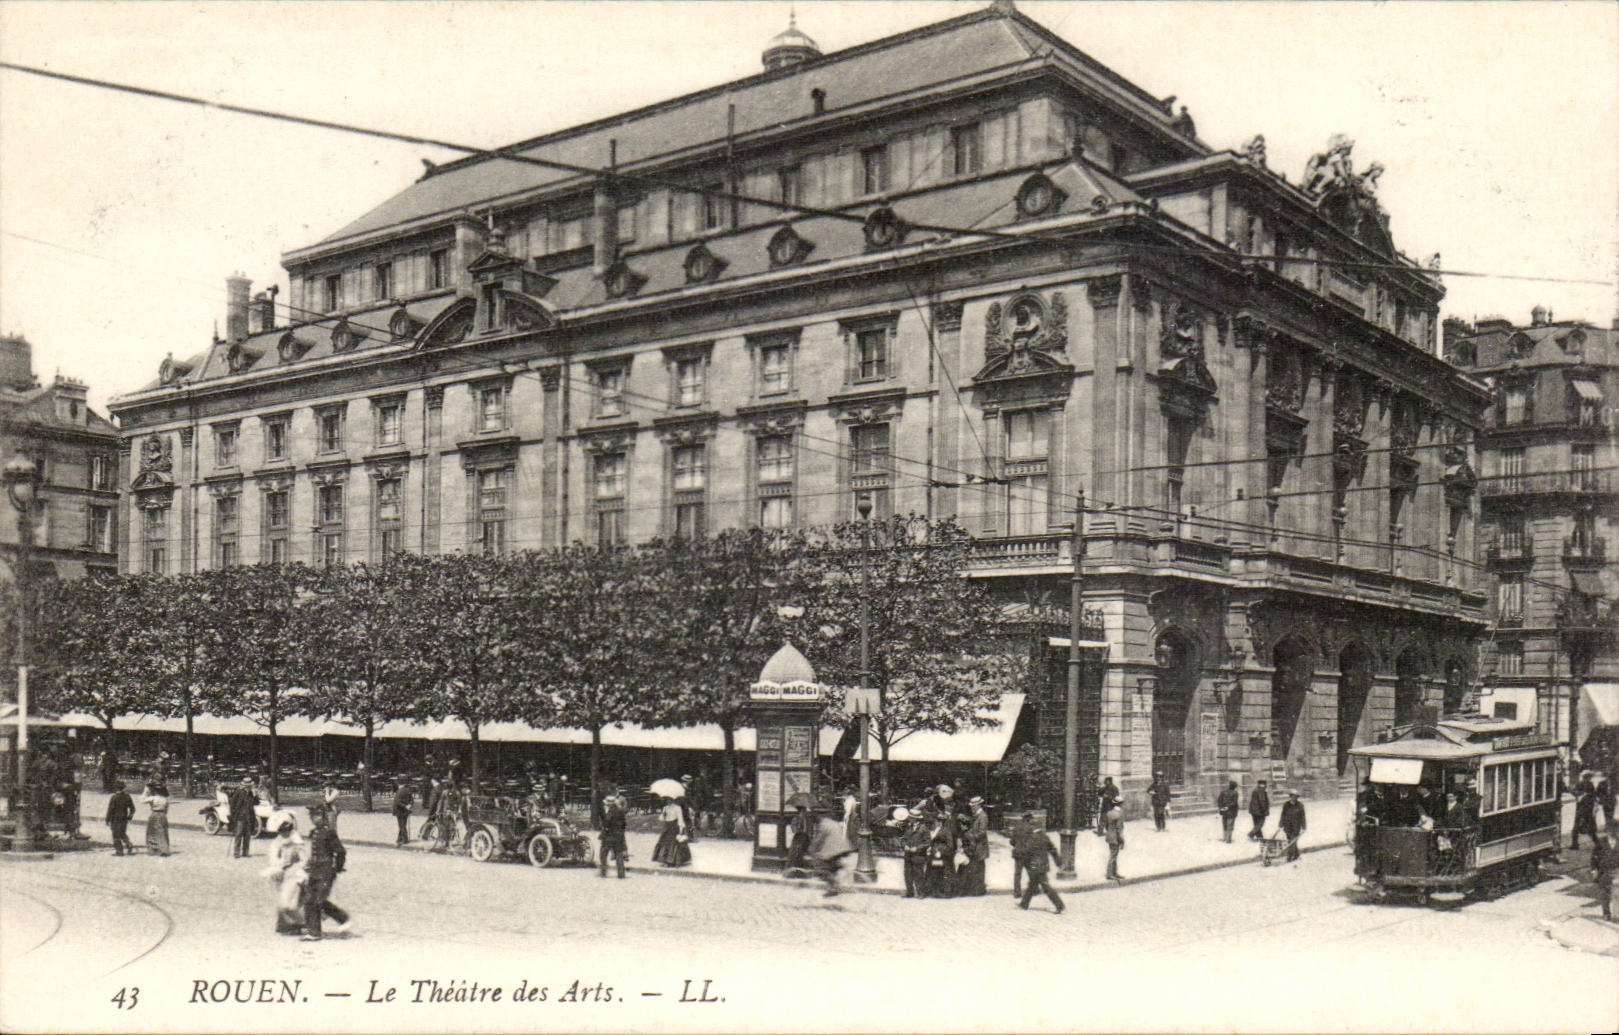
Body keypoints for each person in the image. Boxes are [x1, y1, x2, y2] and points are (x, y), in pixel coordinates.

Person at [300, 806, 350, 942]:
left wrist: (337, 868)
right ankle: (313, 931)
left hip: (326, 870)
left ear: (323, 817)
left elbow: (340, 852)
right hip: (314, 870)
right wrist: (308, 866)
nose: (314, 819)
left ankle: (342, 918)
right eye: (312, 817)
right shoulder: (314, 832)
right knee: (309, 899)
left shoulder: (329, 833)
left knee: (319, 900)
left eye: (317, 816)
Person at [260, 819, 307, 935]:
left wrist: (294, 868)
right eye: (282, 832)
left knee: (289, 902)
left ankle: (298, 924)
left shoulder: (296, 844)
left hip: (294, 875)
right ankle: (283, 925)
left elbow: (304, 860)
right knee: (280, 900)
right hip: (280, 874)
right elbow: (273, 857)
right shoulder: (277, 842)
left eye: (286, 832)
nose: (283, 834)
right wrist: (278, 866)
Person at [1013, 812, 1064, 913]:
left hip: (1035, 866)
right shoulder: (1044, 837)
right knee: (1032, 885)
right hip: (1043, 865)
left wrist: (1019, 855)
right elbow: (1053, 850)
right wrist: (1058, 862)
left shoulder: (1033, 839)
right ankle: (1024, 904)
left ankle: (1059, 905)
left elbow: (1027, 851)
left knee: (1045, 886)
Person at [810, 805, 855, 897]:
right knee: (832, 866)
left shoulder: (823, 825)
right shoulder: (833, 822)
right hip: (844, 847)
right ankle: (837, 873)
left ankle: (833, 887)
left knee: (821, 867)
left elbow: (819, 840)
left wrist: (812, 849)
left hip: (834, 850)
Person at [652, 794, 691, 868]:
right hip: (667, 827)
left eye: (669, 799)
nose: (668, 801)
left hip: (674, 827)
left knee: (673, 843)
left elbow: (680, 818)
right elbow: (662, 819)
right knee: (665, 843)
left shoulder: (677, 808)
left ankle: (672, 861)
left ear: (673, 799)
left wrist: (681, 829)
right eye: (666, 799)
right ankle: (665, 860)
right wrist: (663, 814)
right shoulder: (665, 808)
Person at [961, 796, 990, 896]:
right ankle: (975, 889)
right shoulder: (977, 815)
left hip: (980, 846)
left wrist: (970, 835)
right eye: (971, 806)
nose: (972, 808)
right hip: (975, 846)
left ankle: (978, 890)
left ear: (978, 805)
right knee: (975, 868)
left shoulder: (983, 816)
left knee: (979, 869)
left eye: (973, 806)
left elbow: (982, 833)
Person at [599, 786, 629, 879]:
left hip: (609, 836)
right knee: (619, 855)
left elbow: (606, 823)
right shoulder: (620, 812)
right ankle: (621, 874)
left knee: (603, 854)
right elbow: (624, 824)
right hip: (619, 835)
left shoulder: (610, 813)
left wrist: (604, 828)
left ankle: (603, 872)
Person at [901, 809, 929, 898]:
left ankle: (921, 893)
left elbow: (927, 842)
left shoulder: (923, 829)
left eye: (911, 818)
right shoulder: (908, 827)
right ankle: (909, 892)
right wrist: (904, 845)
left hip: (918, 856)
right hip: (908, 855)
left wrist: (917, 848)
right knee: (908, 874)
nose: (909, 819)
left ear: (916, 819)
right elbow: (903, 839)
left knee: (918, 874)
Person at [1590, 833, 1617, 922]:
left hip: (1617, 872)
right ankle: (1606, 913)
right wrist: (1594, 870)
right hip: (1604, 872)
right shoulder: (1601, 843)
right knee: (1605, 893)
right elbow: (1593, 858)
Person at [228, 777, 258, 858]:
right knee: (239, 834)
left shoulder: (251, 793)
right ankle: (236, 853)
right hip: (240, 817)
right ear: (245, 786)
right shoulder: (239, 792)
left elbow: (256, 803)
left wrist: (255, 795)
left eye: (250, 786)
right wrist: (233, 815)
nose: (249, 787)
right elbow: (232, 804)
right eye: (248, 786)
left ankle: (245, 852)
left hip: (249, 817)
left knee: (247, 835)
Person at [140, 781, 171, 857]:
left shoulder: (153, 798)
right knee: (163, 832)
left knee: (151, 832)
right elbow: (166, 810)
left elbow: (142, 800)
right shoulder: (165, 799)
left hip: (155, 814)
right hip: (163, 815)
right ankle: (164, 848)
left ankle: (154, 849)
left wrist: (145, 791)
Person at [106, 782, 135, 857]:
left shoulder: (114, 797)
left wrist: (107, 819)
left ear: (116, 788)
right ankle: (129, 844)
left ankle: (119, 851)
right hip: (124, 818)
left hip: (115, 818)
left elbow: (110, 810)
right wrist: (129, 816)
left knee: (115, 835)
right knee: (122, 833)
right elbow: (133, 809)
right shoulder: (127, 796)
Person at [1572, 771, 1599, 850]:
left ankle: (1575, 844)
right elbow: (1594, 796)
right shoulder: (1590, 784)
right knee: (1590, 827)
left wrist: (1579, 795)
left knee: (1576, 826)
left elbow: (1574, 792)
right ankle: (1597, 843)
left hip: (1581, 808)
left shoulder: (1580, 784)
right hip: (1588, 809)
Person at [786, 803, 814, 878]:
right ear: (800, 810)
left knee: (803, 855)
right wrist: (798, 829)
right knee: (795, 855)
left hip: (805, 838)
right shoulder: (796, 818)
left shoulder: (807, 819)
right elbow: (793, 829)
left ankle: (801, 873)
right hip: (798, 839)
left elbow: (810, 828)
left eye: (805, 810)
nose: (804, 812)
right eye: (803, 810)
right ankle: (792, 873)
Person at [1278, 791, 1306, 862]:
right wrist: (1281, 824)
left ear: (1297, 797)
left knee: (1293, 840)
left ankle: (1289, 856)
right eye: (1292, 796)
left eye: (1295, 797)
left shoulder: (1300, 805)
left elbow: (1302, 816)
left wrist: (1304, 826)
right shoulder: (1286, 805)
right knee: (1290, 840)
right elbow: (1283, 814)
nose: (1294, 798)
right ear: (1290, 796)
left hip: (1296, 826)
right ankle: (1296, 855)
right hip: (1287, 826)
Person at [1103, 805, 1125, 882]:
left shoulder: (1109, 813)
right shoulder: (1119, 815)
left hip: (1109, 837)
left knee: (1113, 855)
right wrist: (1122, 841)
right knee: (1113, 856)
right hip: (1115, 838)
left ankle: (1114, 872)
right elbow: (1119, 830)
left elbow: (1106, 825)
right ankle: (1110, 874)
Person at [391, 780, 415, 846]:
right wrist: (409, 805)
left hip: (399, 810)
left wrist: (405, 806)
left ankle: (405, 839)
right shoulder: (408, 790)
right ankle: (399, 838)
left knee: (401, 825)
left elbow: (397, 802)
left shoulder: (399, 791)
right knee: (403, 824)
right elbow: (412, 800)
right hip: (406, 811)